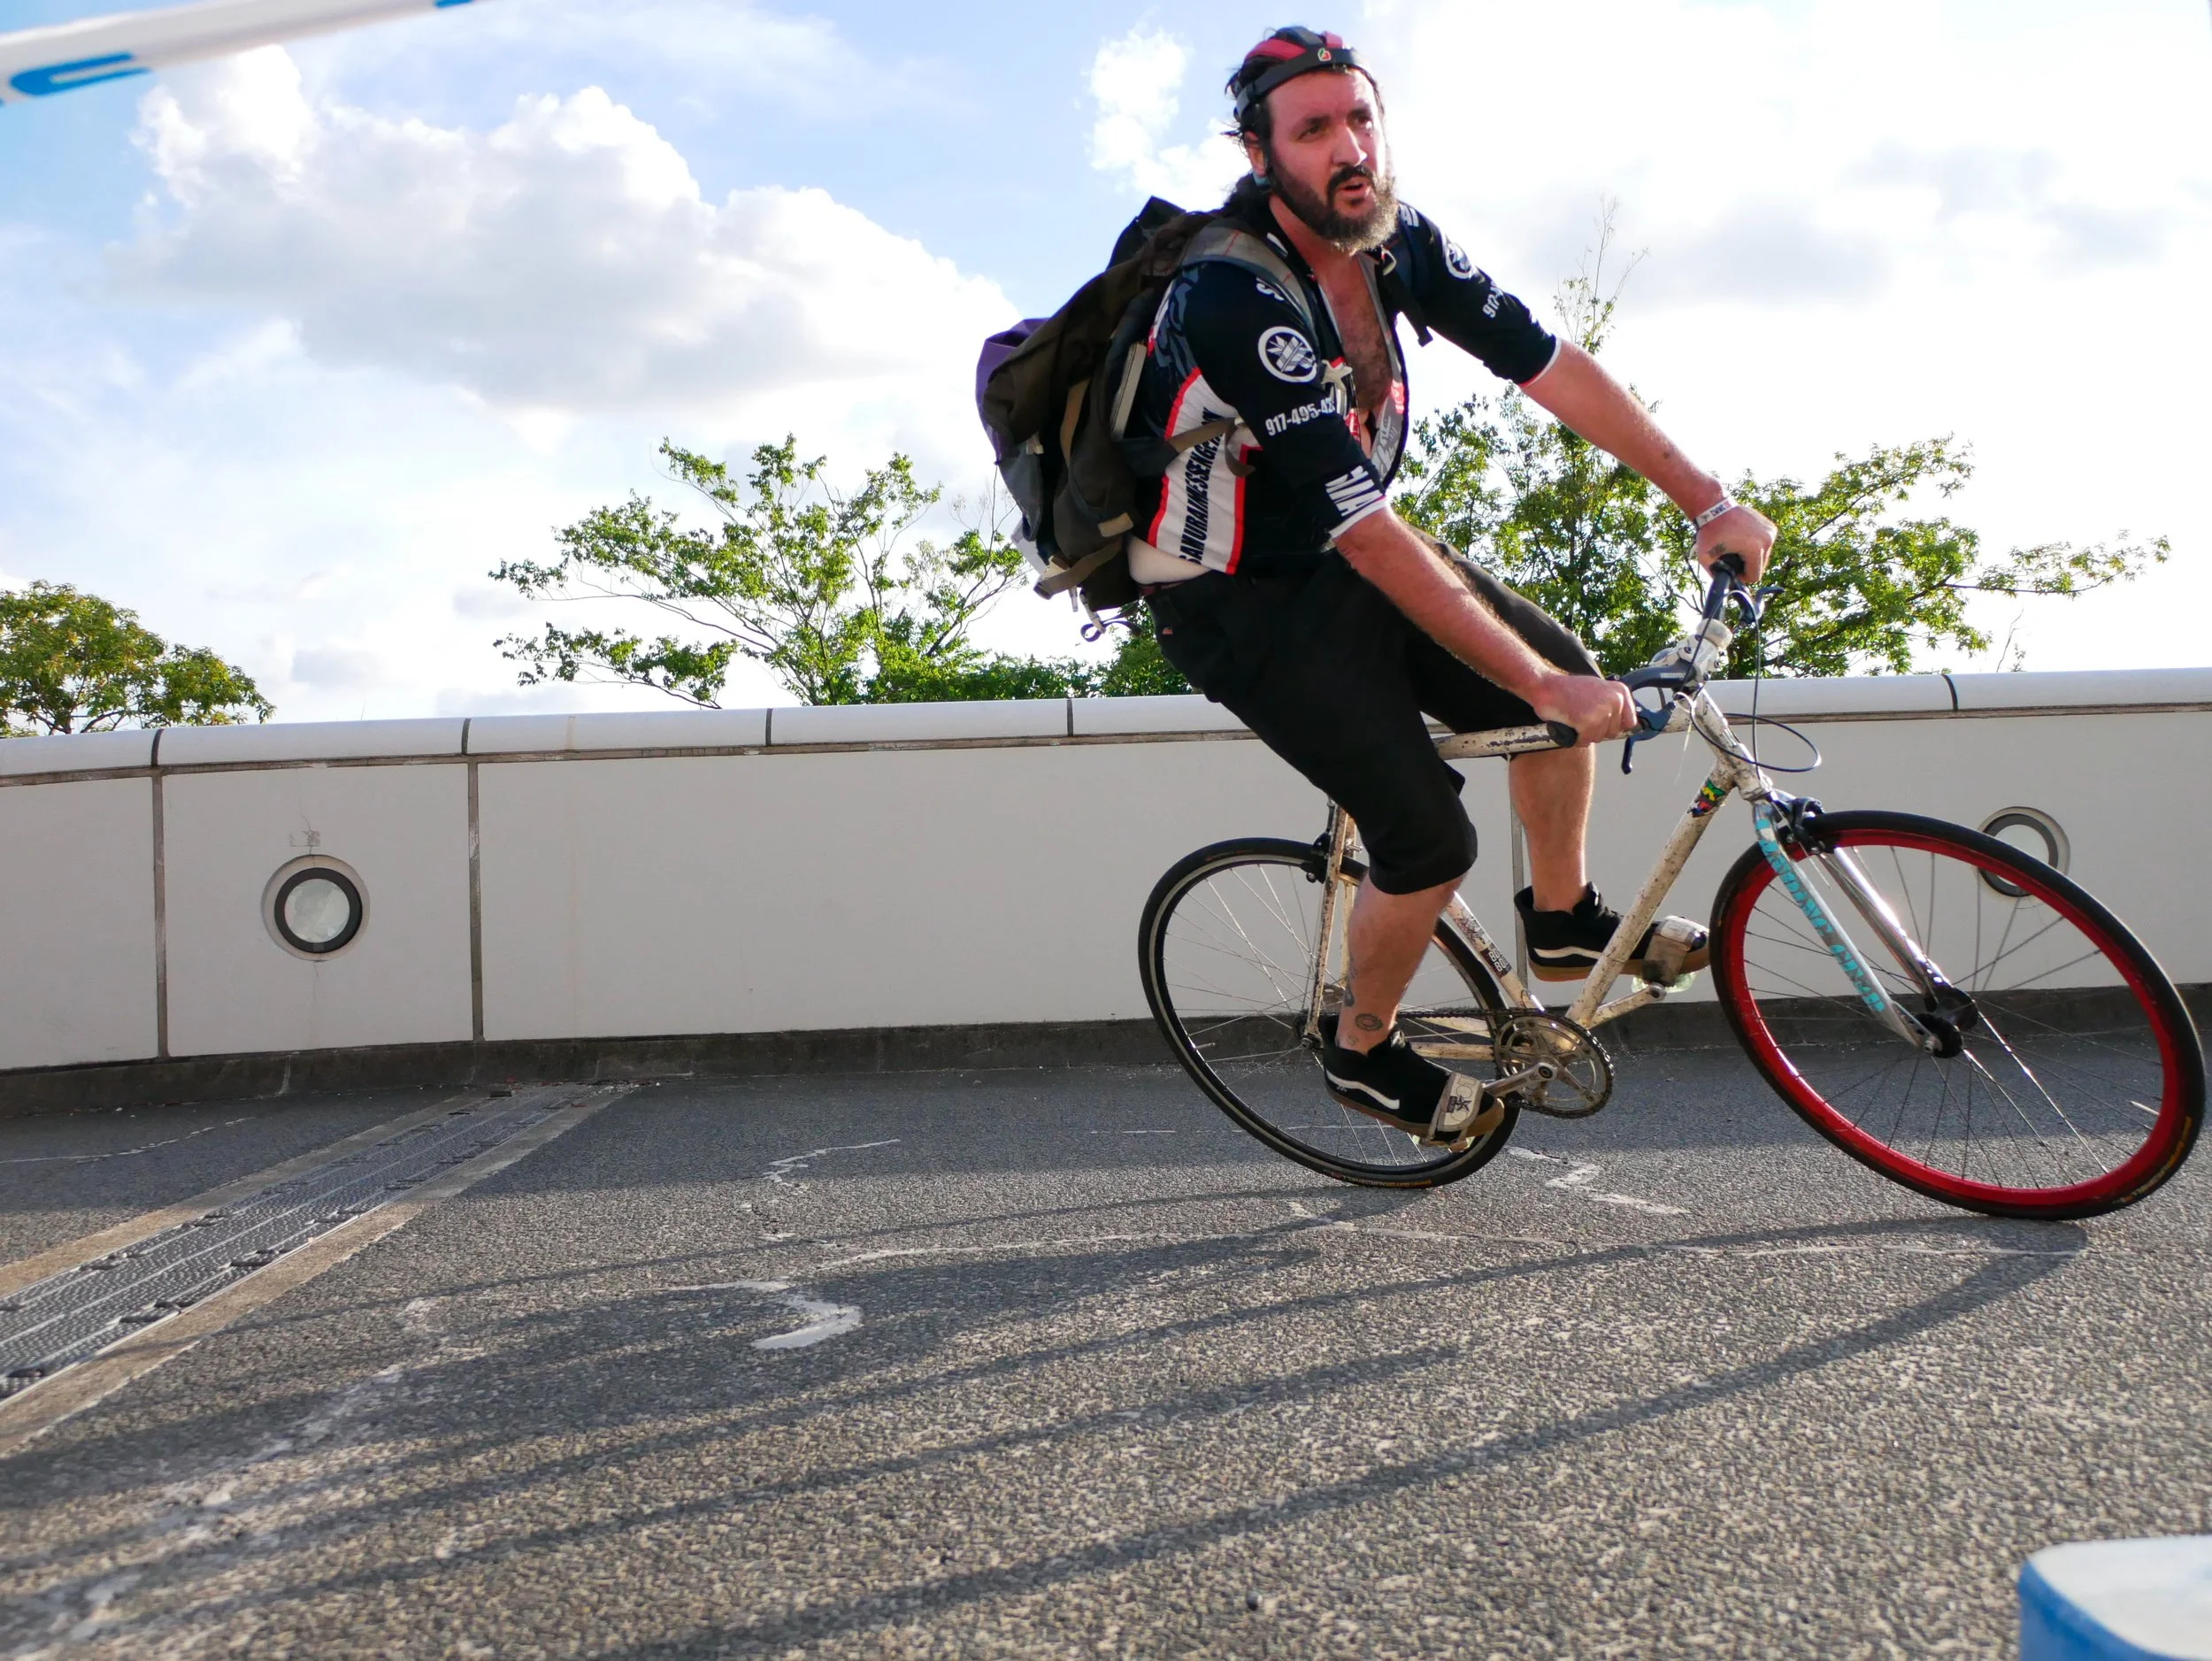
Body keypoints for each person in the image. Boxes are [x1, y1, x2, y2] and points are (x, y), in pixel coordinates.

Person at [1128, 27, 1778, 1134]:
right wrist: (1534, 683)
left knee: (1568, 683)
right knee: (1429, 836)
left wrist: (1705, 497)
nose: (1351, 149)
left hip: (1352, 548)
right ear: (1257, 152)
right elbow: (1368, 528)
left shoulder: (1394, 239)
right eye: (1316, 128)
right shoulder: (1230, 297)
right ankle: (1360, 1047)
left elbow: (1550, 366)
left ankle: (1562, 920)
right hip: (1238, 598)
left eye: (1362, 119)